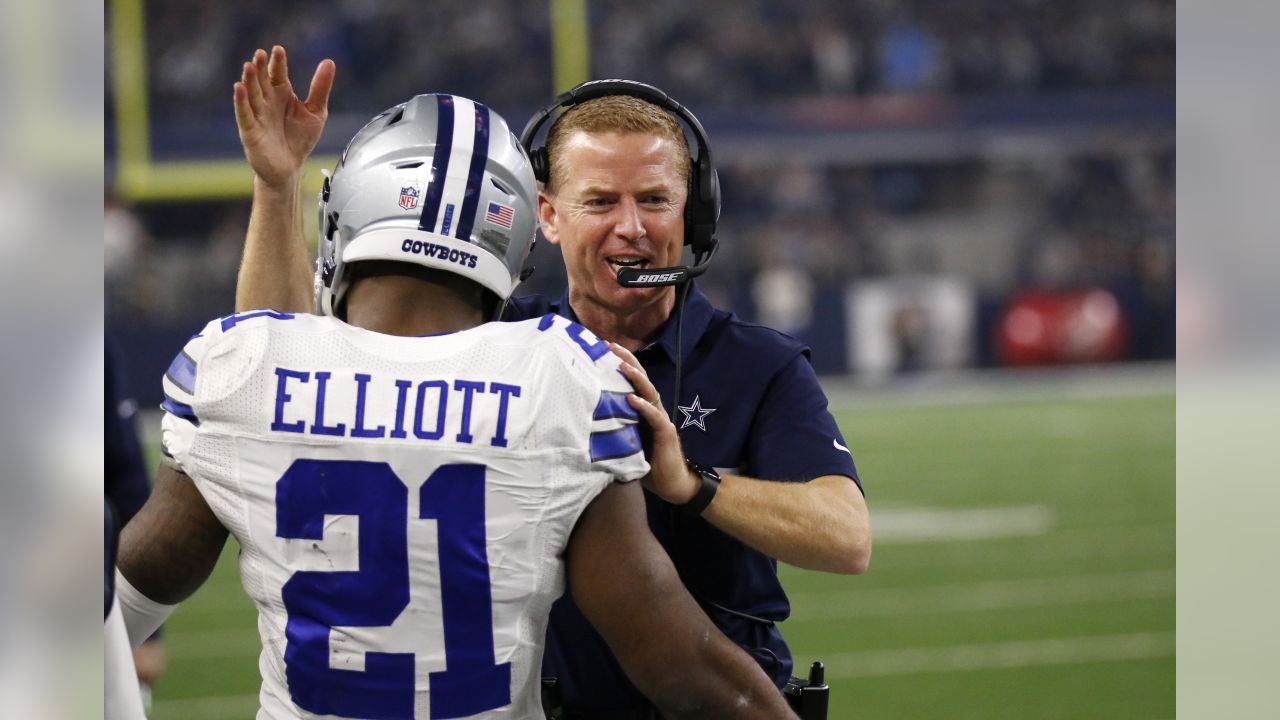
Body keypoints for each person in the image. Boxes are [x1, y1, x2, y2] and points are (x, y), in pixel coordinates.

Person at [114, 92, 795, 719]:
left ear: (346, 215)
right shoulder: (562, 379)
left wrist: (275, 185)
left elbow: (118, 609)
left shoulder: (242, 371)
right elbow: (680, 665)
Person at [233, 46, 870, 716]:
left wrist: (691, 484)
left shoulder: (755, 362)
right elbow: (283, 367)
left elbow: (844, 537)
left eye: (655, 200)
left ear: (693, 215)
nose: (631, 227)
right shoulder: (493, 340)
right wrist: (278, 188)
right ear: (547, 214)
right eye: (600, 201)